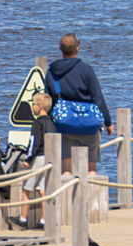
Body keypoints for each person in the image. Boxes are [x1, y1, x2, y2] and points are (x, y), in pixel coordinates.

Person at [43, 33, 114, 176]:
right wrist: (108, 122)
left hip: (64, 123)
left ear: (60, 48)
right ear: (77, 49)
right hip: (89, 124)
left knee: (66, 171)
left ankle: (66, 196)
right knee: (92, 170)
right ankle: (93, 197)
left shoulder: (52, 72)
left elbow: (48, 100)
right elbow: (97, 98)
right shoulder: (87, 70)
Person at [9, 93, 55, 230]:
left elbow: (34, 143)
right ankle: (44, 220)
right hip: (49, 157)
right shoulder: (52, 123)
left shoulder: (37, 123)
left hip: (38, 158)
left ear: (40, 107)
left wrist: (28, 159)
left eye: (33, 104)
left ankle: (23, 219)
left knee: (26, 188)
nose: (32, 106)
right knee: (42, 189)